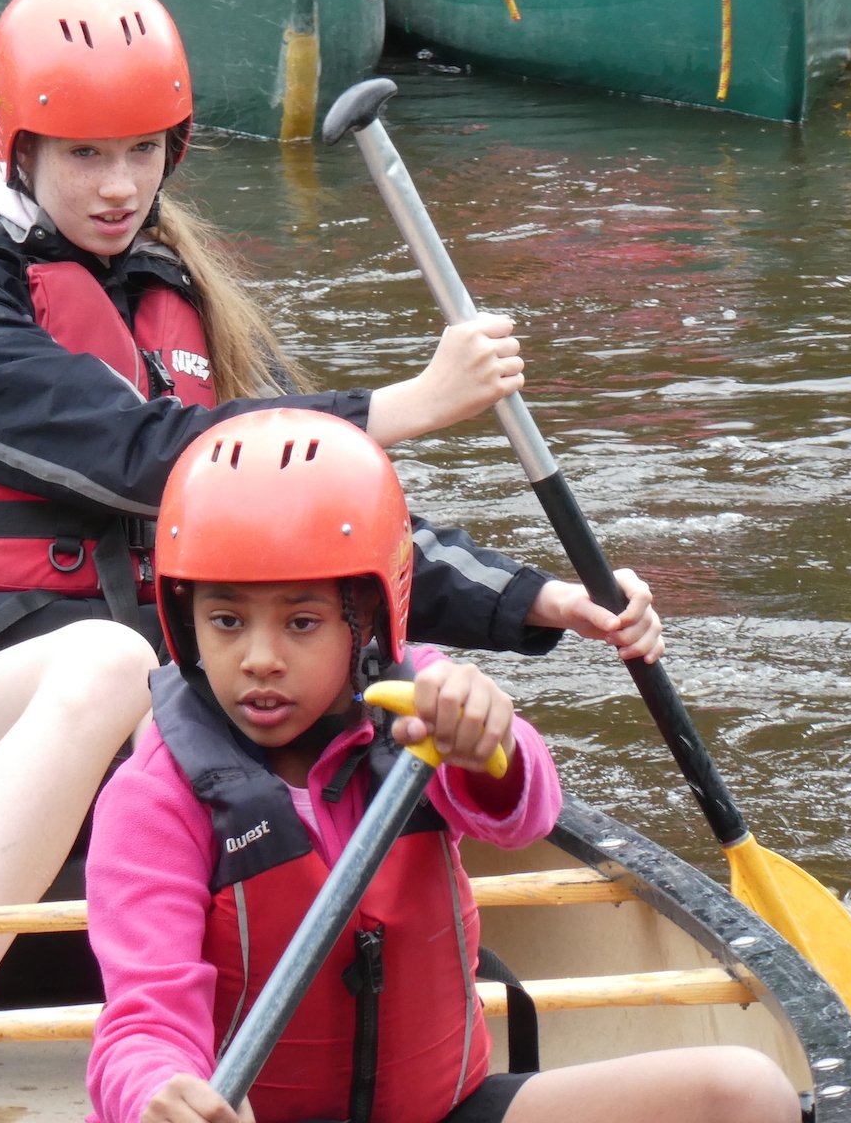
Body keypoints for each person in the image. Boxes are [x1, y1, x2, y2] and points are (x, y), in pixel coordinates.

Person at [0, 0, 666, 1120]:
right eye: (86, 154)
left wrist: (538, 603)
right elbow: (141, 453)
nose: (120, 184)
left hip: (180, 714)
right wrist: (402, 405)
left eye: (144, 151)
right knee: (104, 663)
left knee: (347, 702)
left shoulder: (179, 291)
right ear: (21, 144)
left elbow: (311, 515)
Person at [86, 408, 798, 1123]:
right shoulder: (155, 796)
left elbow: (528, 818)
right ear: (186, 620)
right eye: (227, 620)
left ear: (366, 617)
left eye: (301, 622)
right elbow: (144, 1024)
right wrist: (158, 1095)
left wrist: (494, 746)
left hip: (440, 1110)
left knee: (746, 1094)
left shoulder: (417, 706)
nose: (260, 657)